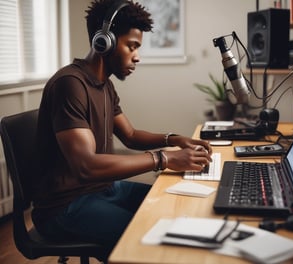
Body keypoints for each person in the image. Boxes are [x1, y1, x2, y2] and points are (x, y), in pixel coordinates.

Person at [32, 0, 212, 255]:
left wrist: (174, 139)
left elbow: (130, 135)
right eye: (132, 46)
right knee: (146, 239)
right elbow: (86, 167)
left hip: (104, 189)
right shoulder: (69, 84)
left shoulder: (104, 85)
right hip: (65, 206)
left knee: (169, 205)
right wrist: (165, 158)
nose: (137, 56)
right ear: (103, 41)